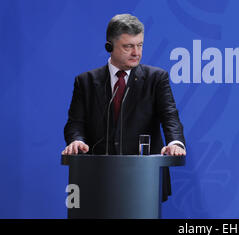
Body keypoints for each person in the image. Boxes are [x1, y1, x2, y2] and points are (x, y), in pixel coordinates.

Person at [62, 13, 186, 201]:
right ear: (109, 47)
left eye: (140, 45)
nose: (136, 53)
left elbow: (170, 116)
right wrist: (76, 140)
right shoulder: (86, 82)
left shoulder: (156, 79)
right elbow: (75, 123)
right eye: (128, 46)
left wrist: (175, 143)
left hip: (144, 178)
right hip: (97, 178)